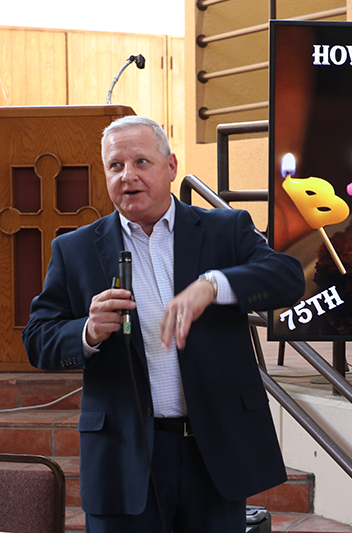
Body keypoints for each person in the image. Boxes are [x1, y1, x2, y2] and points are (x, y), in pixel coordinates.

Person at [22, 116, 305, 532]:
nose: (128, 176)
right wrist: (87, 330)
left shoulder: (225, 229)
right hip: (124, 453)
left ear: (170, 167)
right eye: (115, 165)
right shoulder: (75, 249)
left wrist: (213, 285)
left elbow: (289, 277)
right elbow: (37, 339)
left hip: (213, 450)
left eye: (141, 162)